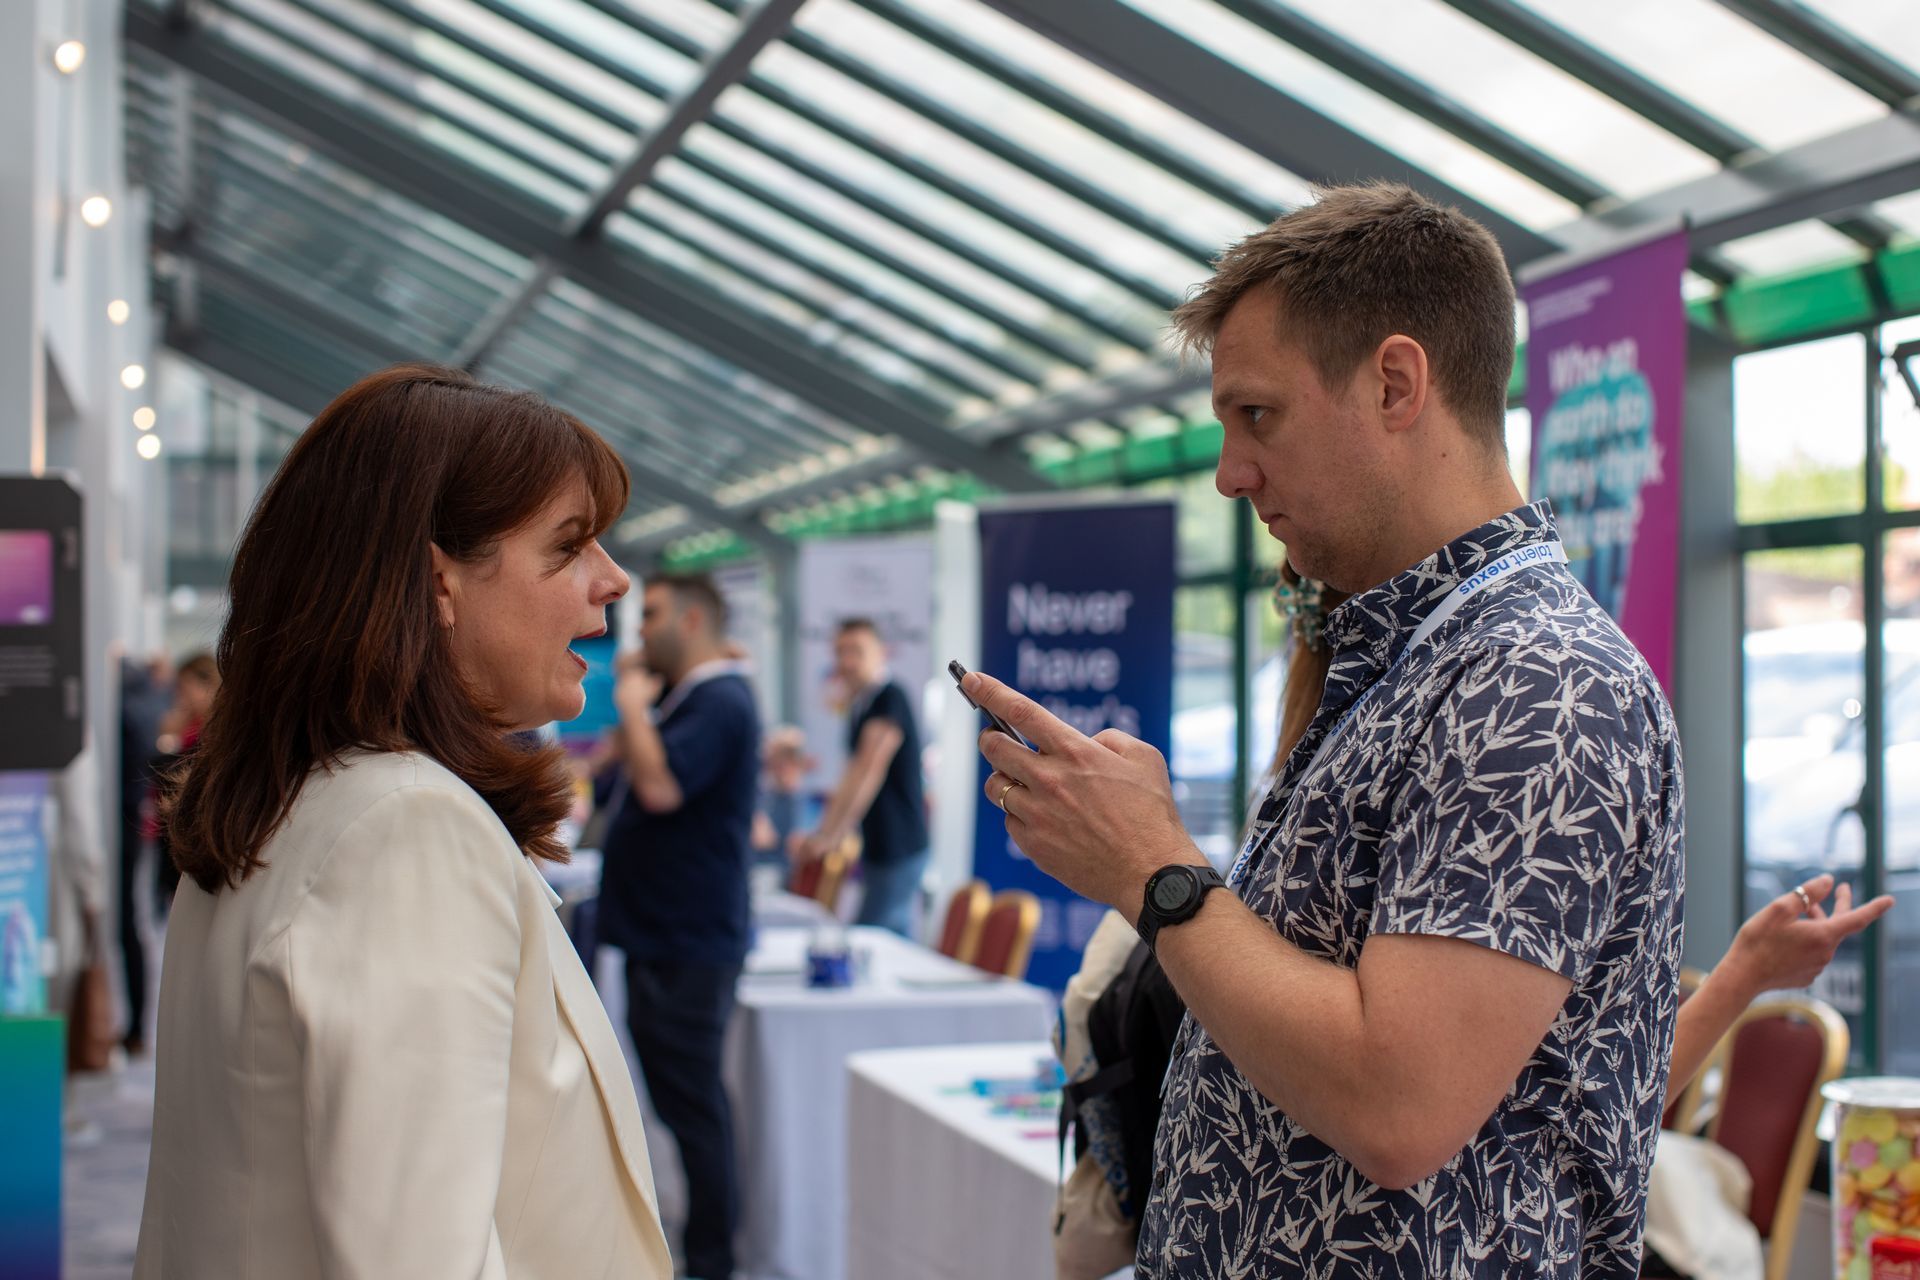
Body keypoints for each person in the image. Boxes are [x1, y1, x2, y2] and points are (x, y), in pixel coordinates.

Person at [960, 183, 1686, 1278]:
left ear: (1397, 382)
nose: (1229, 470)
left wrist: (1154, 868)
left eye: (1258, 415)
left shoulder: (1538, 679)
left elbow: (1398, 1102)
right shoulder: (1411, 651)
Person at [134, 364, 673, 1279]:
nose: (614, 582)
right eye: (569, 545)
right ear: (438, 583)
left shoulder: (287, 802)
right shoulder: (405, 828)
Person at [599, 573, 761, 1280]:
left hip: (688, 939)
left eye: (653, 614)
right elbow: (624, 780)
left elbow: (660, 786)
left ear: (693, 620)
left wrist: (631, 704)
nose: (638, 631)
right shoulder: (690, 698)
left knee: (694, 1109)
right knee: (678, 1101)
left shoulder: (721, 698)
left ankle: (712, 1259)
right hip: (662, 932)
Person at [795, 619, 929, 937]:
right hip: (879, 845)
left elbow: (867, 770)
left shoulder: (889, 698)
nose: (847, 661)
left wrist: (830, 835)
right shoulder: (861, 704)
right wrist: (826, 831)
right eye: (841, 652)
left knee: (876, 940)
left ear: (881, 653)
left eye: (857, 651)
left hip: (900, 846)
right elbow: (851, 773)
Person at [116, 655, 171, 1055]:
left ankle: (138, 1029)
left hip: (137, 825)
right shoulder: (155, 708)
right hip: (145, 828)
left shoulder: (133, 707)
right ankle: (138, 1029)